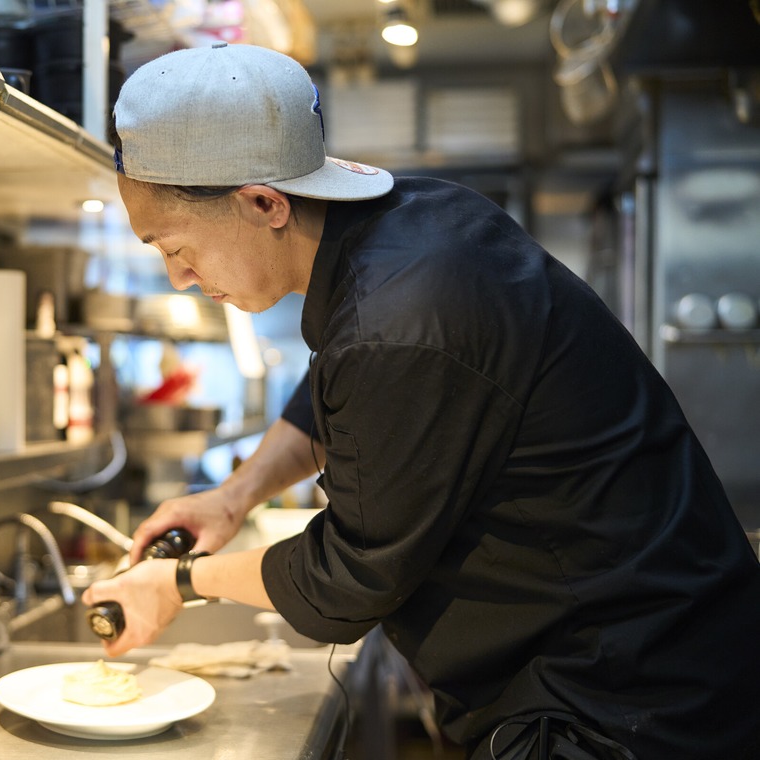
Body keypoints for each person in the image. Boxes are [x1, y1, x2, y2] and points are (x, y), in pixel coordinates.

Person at [81, 41, 760, 759]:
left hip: (629, 703)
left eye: (175, 246)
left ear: (263, 203)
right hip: (648, 662)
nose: (180, 277)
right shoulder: (409, 226)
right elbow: (331, 393)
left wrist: (178, 582)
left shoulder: (398, 321)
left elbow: (348, 580)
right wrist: (233, 497)